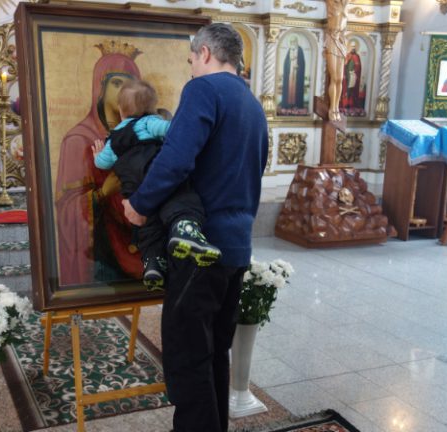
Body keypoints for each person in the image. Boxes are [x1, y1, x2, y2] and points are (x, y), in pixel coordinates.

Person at [123, 24, 268, 431]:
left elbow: (176, 158)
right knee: (213, 354)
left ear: (204, 53)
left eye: (191, 60)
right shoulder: (252, 103)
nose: (190, 68)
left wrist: (140, 205)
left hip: (200, 248)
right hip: (237, 249)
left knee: (188, 361)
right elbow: (254, 169)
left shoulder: (203, 90)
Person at [92, 79, 220, 289]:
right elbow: (174, 132)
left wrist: (97, 155)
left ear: (121, 111)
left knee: (147, 226)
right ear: (151, 108)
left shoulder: (114, 139)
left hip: (133, 190)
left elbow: (103, 163)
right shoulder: (149, 122)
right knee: (181, 198)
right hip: (153, 176)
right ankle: (185, 228)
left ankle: (153, 264)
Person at [54, 41, 144, 286]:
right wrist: (104, 192)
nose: (124, 91)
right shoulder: (78, 140)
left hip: (143, 240)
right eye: (117, 83)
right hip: (103, 255)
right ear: (100, 88)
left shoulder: (144, 134)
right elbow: (66, 211)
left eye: (130, 85)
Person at [324, 0, 350, 122]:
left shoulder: (345, 5)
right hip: (331, 41)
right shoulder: (331, 3)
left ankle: (336, 107)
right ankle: (331, 109)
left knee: (340, 79)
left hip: (341, 42)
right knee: (334, 77)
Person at [280, 36, 306, 110]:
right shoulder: (289, 50)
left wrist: (299, 66)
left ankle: (297, 104)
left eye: (294, 41)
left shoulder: (300, 50)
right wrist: (289, 65)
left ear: (296, 42)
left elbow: (302, 62)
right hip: (290, 74)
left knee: (296, 88)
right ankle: (287, 104)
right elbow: (286, 62)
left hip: (297, 74)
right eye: (291, 42)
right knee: (289, 88)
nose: (292, 43)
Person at [341, 40, 362, 109]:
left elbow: (359, 67)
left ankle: (351, 104)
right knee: (347, 89)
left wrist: (355, 72)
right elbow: (344, 65)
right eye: (352, 46)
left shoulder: (357, 56)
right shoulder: (348, 55)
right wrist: (345, 74)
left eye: (354, 47)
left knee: (352, 89)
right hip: (348, 75)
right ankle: (345, 103)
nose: (353, 48)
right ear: (349, 47)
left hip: (354, 75)